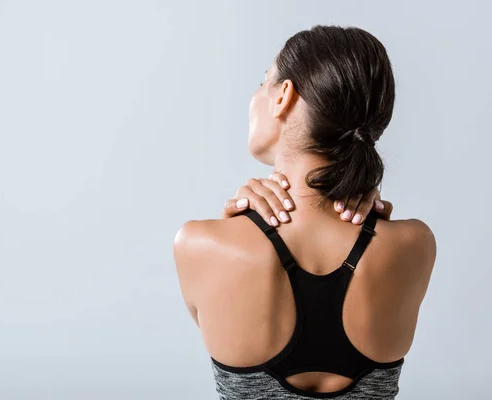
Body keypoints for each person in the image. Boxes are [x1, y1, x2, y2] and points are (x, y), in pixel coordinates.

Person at [173, 25, 436, 399]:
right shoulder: (415, 244)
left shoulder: (200, 245)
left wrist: (238, 227)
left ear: (283, 96)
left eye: (263, 81)